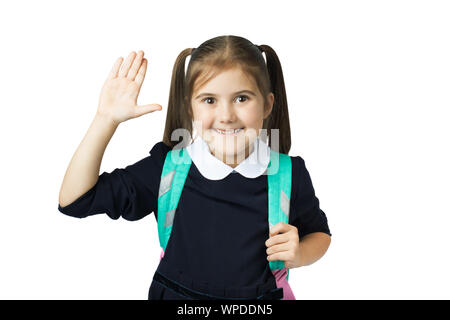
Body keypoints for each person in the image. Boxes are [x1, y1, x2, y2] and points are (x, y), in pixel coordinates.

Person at [58, 35, 332, 300]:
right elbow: (75, 201)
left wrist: (300, 255)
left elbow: (319, 234)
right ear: (190, 107)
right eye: (209, 100)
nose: (226, 116)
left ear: (267, 104)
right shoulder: (167, 168)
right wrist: (105, 120)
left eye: (242, 98)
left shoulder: (289, 173)